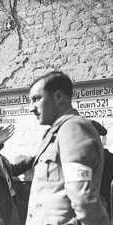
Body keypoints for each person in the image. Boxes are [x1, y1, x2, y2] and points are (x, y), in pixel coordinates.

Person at [26, 71, 110, 225]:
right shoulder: (56, 132)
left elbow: (83, 197)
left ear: (58, 97)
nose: (31, 108)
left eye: (37, 99)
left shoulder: (72, 128)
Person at [0, 153, 34, 225]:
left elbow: (13, 170)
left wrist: (33, 159)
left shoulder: (0, 156)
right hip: (0, 206)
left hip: (11, 202)